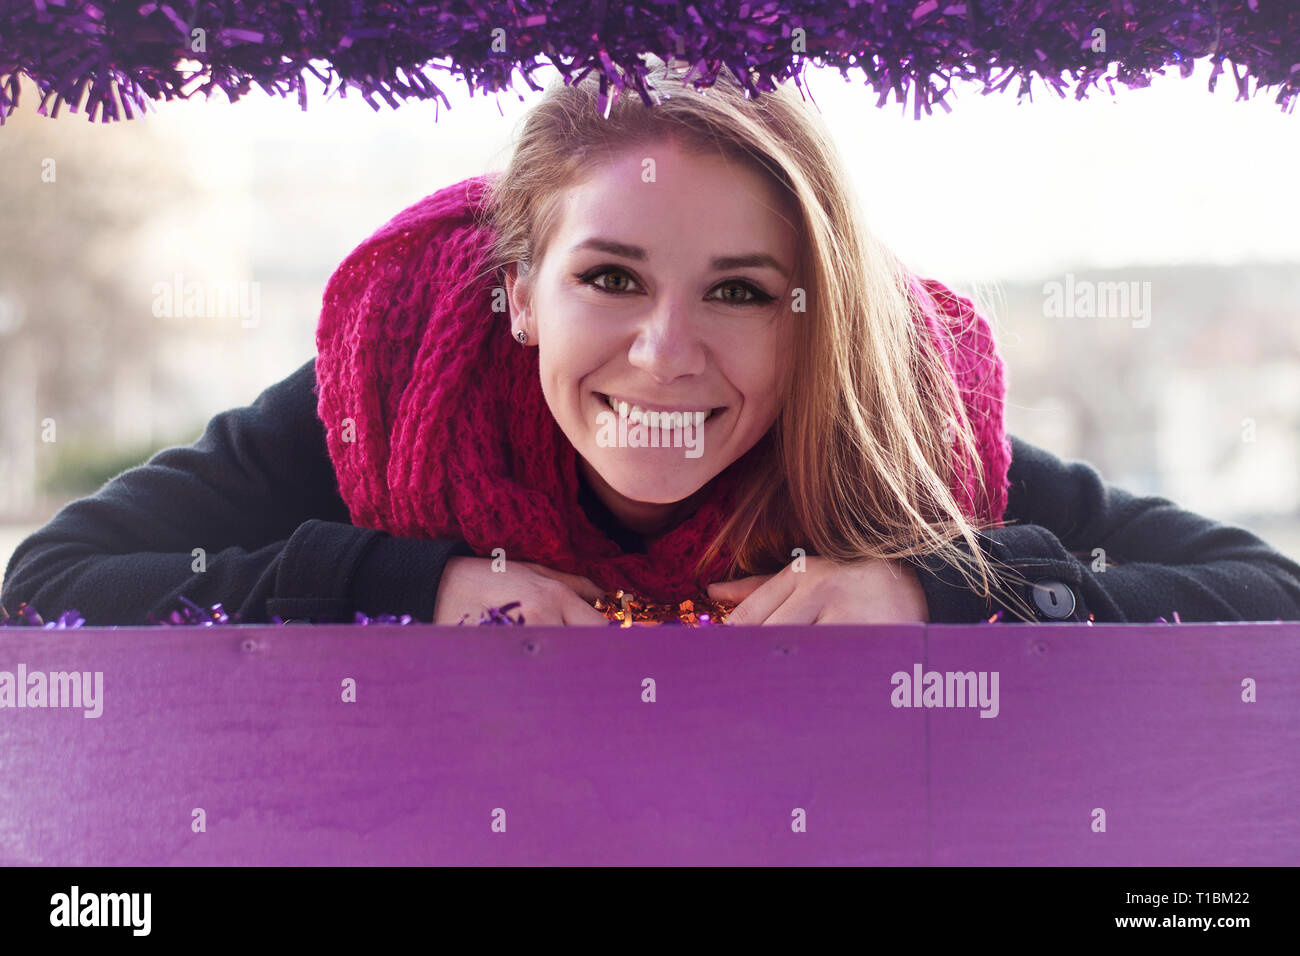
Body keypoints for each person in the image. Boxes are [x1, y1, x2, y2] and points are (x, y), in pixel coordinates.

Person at [4, 59, 1299, 627]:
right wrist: (406, 588)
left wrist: (937, 592)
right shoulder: (396, 403)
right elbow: (49, 587)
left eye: (740, 291)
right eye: (612, 277)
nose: (665, 353)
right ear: (521, 289)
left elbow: (1269, 601)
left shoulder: (899, 427)